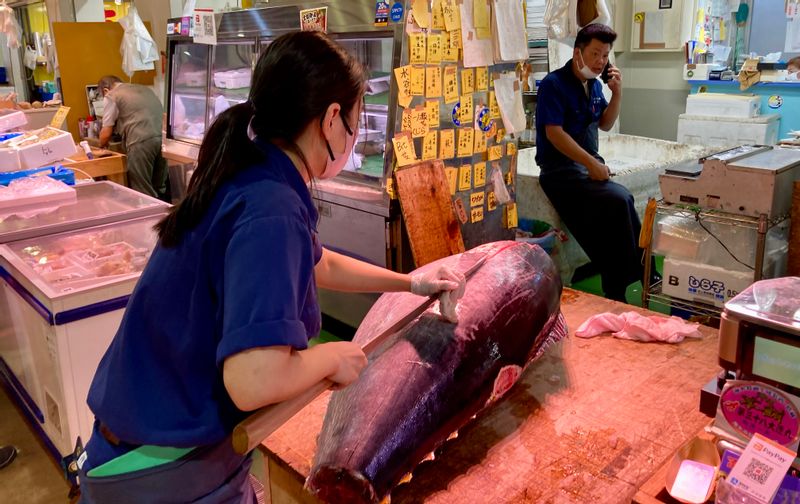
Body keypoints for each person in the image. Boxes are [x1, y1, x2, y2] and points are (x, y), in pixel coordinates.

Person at [77, 31, 465, 503]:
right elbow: (253, 381)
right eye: (356, 122)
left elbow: (319, 264)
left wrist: (411, 282)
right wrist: (331, 356)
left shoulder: (252, 166)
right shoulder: (270, 206)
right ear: (331, 119)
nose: (355, 138)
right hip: (162, 467)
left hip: (137, 436)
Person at [535, 23, 648, 303]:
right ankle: (628, 277)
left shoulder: (595, 86)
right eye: (595, 53)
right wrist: (591, 164)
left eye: (605, 55)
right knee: (619, 199)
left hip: (584, 171)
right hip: (560, 173)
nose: (600, 62)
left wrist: (618, 92)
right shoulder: (553, 85)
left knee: (622, 202)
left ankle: (632, 274)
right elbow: (554, 133)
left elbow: (606, 124)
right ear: (578, 53)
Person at [97, 75, 169, 201]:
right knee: (159, 187)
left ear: (105, 90)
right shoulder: (145, 90)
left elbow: (106, 133)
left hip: (140, 141)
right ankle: (165, 217)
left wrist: (100, 147)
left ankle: (150, 218)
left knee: (143, 189)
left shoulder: (112, 95)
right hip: (163, 140)